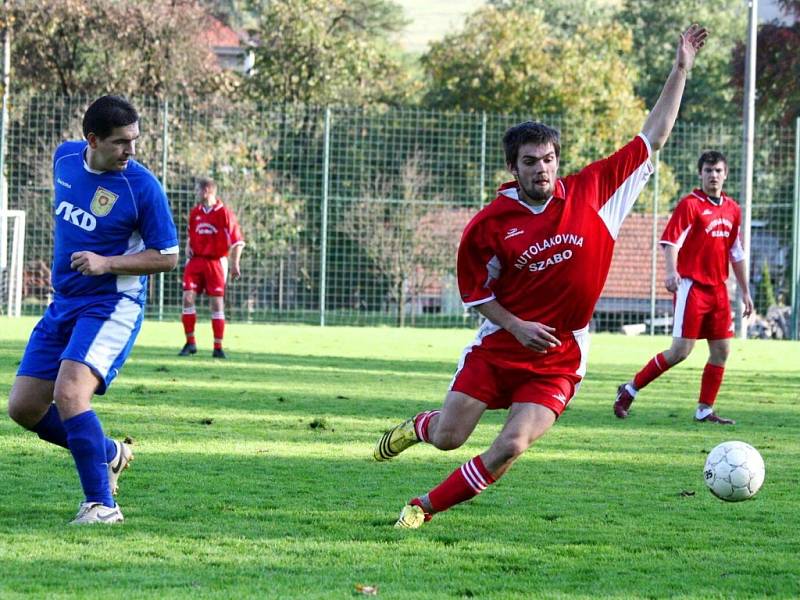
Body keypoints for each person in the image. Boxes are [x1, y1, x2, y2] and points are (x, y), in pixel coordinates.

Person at [373, 25, 708, 529]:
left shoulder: (593, 192)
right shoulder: (489, 226)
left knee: (510, 444)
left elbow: (653, 135)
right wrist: (516, 326)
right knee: (448, 437)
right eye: (530, 162)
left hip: (560, 354)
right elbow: (475, 295)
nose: (542, 170)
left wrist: (681, 67)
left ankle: (421, 508)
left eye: (549, 159)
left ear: (558, 160)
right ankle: (416, 428)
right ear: (514, 167)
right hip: (502, 345)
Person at [7, 95, 179, 524]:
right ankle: (111, 453)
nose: (131, 151)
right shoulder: (64, 159)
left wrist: (107, 264)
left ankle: (102, 506)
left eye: (135, 141)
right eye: (122, 142)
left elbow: (168, 256)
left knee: (69, 394)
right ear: (92, 140)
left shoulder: (142, 187)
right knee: (24, 408)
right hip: (63, 303)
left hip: (112, 305)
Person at [613, 150, 753, 424]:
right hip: (693, 288)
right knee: (680, 351)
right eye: (708, 171)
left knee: (722, 351)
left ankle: (704, 410)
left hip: (719, 290)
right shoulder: (690, 205)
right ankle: (629, 390)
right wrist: (670, 272)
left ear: (725, 175)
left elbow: (736, 253)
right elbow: (670, 241)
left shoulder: (733, 209)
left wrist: (746, 292)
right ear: (700, 174)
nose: (713, 175)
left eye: (718, 171)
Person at [178, 177, 245, 359]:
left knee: (216, 303)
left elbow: (238, 241)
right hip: (196, 261)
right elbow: (191, 234)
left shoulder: (224, 213)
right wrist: (187, 245)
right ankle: (190, 343)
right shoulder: (195, 213)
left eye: (198, 190)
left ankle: (218, 347)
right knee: (187, 298)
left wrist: (235, 264)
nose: (196, 194)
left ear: (207, 190)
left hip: (216, 262)